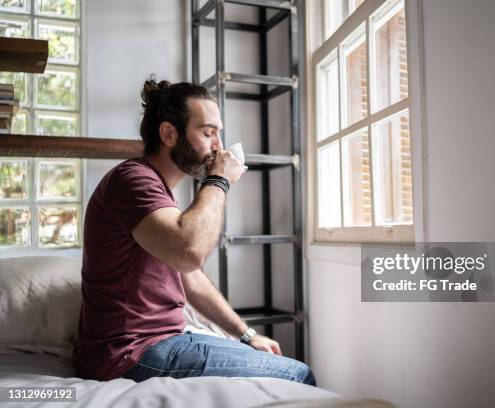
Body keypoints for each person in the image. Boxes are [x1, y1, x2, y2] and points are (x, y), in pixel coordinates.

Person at [73, 80, 316, 386]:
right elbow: (190, 252)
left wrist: (247, 334)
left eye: (219, 133)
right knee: (298, 374)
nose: (219, 146)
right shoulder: (133, 180)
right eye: (207, 132)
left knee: (277, 362)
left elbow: (191, 277)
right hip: (130, 353)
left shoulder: (156, 191)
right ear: (168, 134)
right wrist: (219, 181)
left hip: (160, 341)